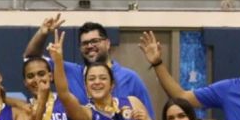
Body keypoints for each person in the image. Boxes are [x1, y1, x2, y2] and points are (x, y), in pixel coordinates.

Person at [24, 15, 153, 114]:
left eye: (95, 41)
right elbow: (31, 60)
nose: (90, 46)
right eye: (85, 43)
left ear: (108, 43)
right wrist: (42, 33)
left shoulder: (130, 78)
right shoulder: (70, 72)